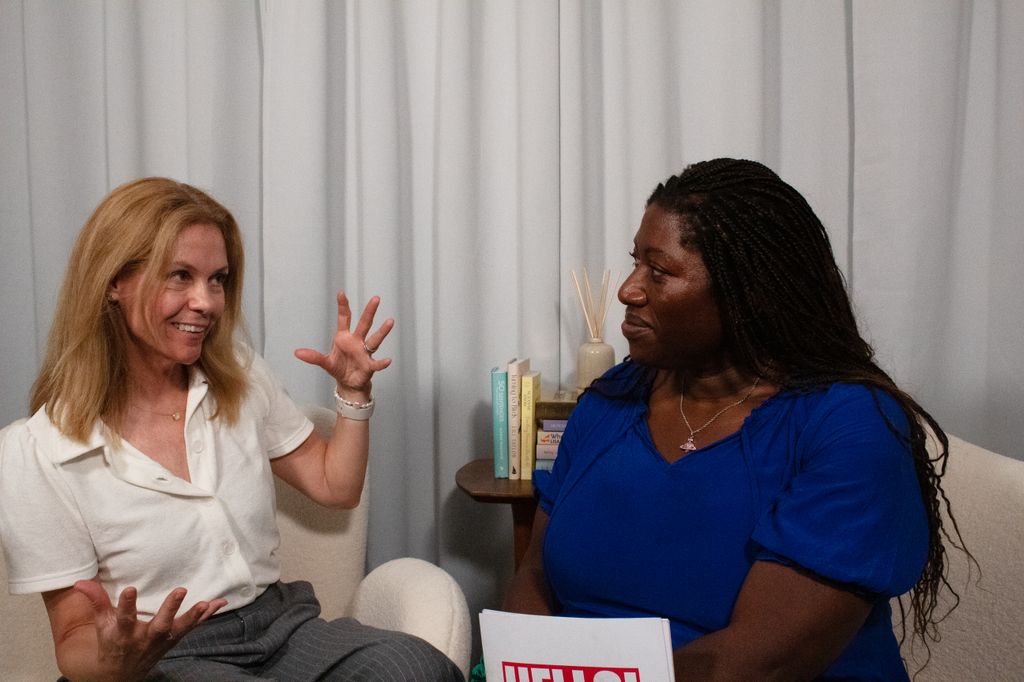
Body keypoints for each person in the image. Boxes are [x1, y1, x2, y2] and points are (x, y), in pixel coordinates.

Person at [504, 159, 969, 680]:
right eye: (636, 263)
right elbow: (536, 578)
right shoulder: (611, 399)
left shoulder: (850, 425)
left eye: (659, 272)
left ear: (745, 294)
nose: (629, 290)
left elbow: (759, 663)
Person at [0, 177, 464, 681]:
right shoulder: (38, 451)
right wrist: (116, 659)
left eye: (217, 279)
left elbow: (337, 487)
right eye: (179, 276)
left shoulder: (238, 376)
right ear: (114, 282)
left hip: (280, 626)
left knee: (415, 667)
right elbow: (72, 640)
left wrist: (354, 393)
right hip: (167, 658)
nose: (206, 302)